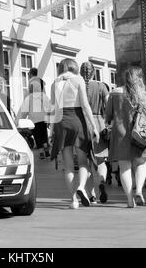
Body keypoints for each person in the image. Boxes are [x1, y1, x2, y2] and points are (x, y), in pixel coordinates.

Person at [49, 58, 99, 209]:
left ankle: (73, 200)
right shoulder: (79, 80)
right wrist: (94, 126)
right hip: (77, 119)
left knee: (68, 165)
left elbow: (53, 108)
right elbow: (85, 105)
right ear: (74, 67)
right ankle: (81, 187)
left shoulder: (54, 83)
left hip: (60, 122)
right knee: (83, 161)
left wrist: (51, 130)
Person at [105, 66, 146, 208]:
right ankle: (139, 190)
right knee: (141, 163)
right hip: (139, 134)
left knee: (124, 167)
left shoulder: (115, 93)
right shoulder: (144, 94)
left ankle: (129, 199)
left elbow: (108, 114)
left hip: (120, 135)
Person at [80, 61, 109, 204]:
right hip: (99, 123)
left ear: (80, 72)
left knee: (86, 161)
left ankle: (91, 195)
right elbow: (108, 106)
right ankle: (102, 182)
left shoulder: (78, 86)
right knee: (101, 160)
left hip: (82, 124)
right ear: (93, 73)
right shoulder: (101, 86)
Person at [17, 68, 51, 159]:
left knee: (37, 135)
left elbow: (25, 107)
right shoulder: (42, 92)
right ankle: (46, 150)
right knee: (44, 134)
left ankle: (41, 153)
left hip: (34, 118)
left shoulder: (29, 95)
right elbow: (47, 104)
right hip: (43, 116)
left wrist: (22, 118)